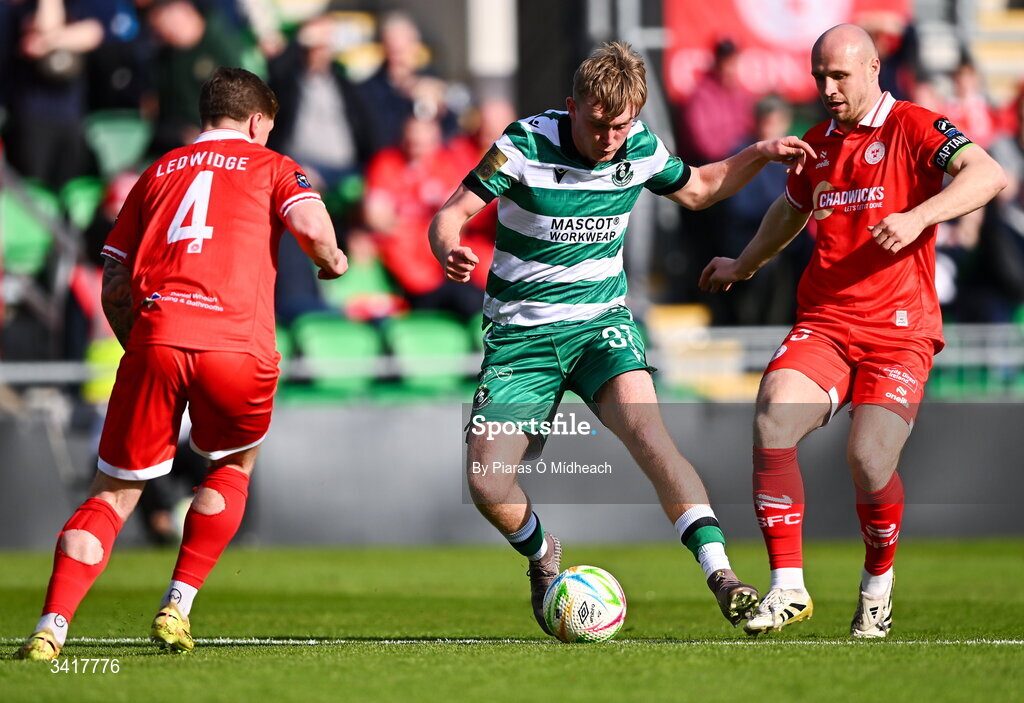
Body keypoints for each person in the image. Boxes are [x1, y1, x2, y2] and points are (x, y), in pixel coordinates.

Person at [428, 41, 815, 636]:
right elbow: (450, 213)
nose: (610, 138)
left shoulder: (638, 147)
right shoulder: (524, 144)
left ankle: (722, 577)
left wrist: (760, 153)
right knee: (486, 482)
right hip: (522, 339)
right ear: (571, 106)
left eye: (622, 125)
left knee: (650, 437)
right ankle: (542, 555)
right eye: (598, 124)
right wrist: (449, 248)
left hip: (599, 329)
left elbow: (702, 188)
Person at [14, 66, 348, 661]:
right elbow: (311, 226)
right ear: (257, 121)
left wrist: (139, 343)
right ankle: (178, 603)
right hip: (236, 347)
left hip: (158, 337)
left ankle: (51, 627)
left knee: (112, 494)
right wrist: (333, 260)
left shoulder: (155, 173)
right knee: (234, 466)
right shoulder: (272, 165)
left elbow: (113, 280)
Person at [700, 24, 1006, 638]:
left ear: (871, 69)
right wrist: (744, 263)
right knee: (772, 416)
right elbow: (788, 211)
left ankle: (876, 588)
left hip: (900, 330)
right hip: (827, 322)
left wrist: (919, 215)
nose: (828, 88)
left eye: (839, 76)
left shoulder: (915, 126)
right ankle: (788, 587)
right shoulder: (816, 144)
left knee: (868, 461)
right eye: (819, 77)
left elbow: (988, 174)